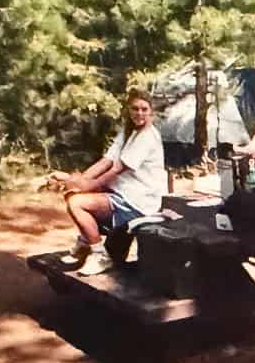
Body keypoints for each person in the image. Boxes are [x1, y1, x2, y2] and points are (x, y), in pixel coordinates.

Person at [49, 89, 167, 276]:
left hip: (138, 201)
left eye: (144, 109)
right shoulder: (128, 132)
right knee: (74, 194)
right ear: (128, 110)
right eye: (135, 108)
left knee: (76, 203)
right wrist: (78, 181)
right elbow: (106, 162)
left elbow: (117, 169)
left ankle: (99, 254)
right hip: (121, 191)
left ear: (152, 111)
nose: (139, 113)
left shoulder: (148, 137)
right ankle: (86, 242)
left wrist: (86, 185)